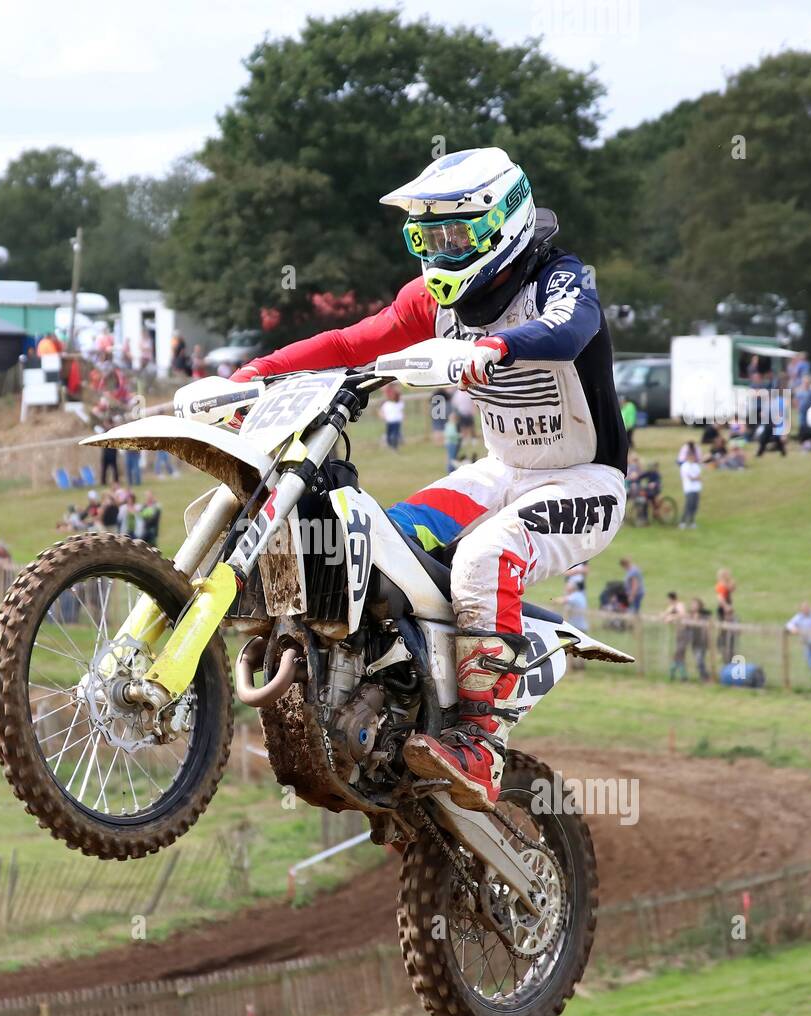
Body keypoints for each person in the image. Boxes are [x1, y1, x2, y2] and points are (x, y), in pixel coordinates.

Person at [229, 146, 628, 811]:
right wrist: (257, 371)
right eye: (428, 237)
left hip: (584, 484)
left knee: (483, 557)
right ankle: (396, 689)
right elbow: (354, 342)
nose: (441, 252)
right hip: (501, 471)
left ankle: (481, 741)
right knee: (383, 542)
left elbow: (569, 328)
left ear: (502, 223)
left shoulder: (558, 280)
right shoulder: (433, 302)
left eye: (454, 236)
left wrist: (495, 347)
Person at [662, 592, 689, 681]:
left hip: (684, 632)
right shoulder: (672, 607)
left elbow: (682, 614)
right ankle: (682, 675)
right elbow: (666, 614)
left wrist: (672, 617)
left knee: (679, 653)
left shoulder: (679, 605)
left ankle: (674, 673)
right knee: (679, 654)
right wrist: (666, 616)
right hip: (678, 633)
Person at [679, 442, 702, 528]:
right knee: (688, 505)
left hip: (696, 488)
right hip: (689, 488)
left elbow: (699, 476)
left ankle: (692, 521)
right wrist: (695, 478)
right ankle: (683, 521)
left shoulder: (696, 466)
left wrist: (695, 478)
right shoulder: (684, 466)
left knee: (694, 506)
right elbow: (689, 477)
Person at [381, 385, 405, 449]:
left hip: (396, 421)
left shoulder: (397, 403)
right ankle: (391, 444)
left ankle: (394, 445)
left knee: (395, 433)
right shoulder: (387, 404)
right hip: (390, 421)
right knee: (390, 433)